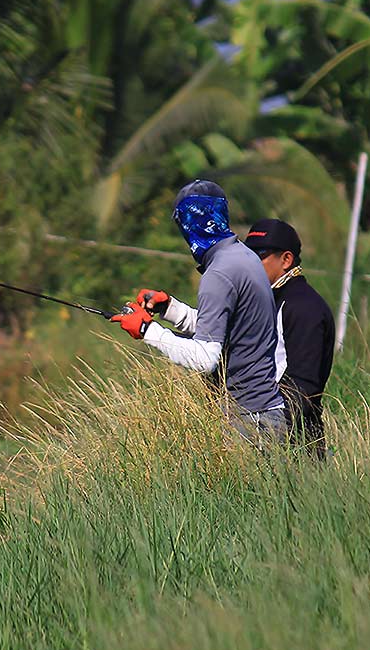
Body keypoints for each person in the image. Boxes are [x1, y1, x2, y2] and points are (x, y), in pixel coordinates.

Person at [111, 180, 287, 439]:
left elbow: (205, 358)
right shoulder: (245, 257)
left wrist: (147, 330)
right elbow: (228, 326)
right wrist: (169, 309)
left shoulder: (218, 273)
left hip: (249, 421)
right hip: (269, 413)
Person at [241, 218, 335, 456]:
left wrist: (265, 435)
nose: (250, 264)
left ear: (286, 259)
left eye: (259, 257)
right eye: (247, 256)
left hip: (296, 447)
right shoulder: (266, 298)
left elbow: (303, 387)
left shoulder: (304, 306)